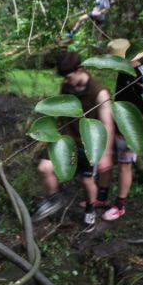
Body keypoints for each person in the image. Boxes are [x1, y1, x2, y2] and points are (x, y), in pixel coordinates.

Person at [31, 52, 114, 232]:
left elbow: (107, 124)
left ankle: (90, 210)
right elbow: (60, 110)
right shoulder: (67, 86)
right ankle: (53, 200)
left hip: (88, 145)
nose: (66, 81)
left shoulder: (100, 92)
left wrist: (105, 154)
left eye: (68, 77)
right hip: (65, 140)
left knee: (86, 182)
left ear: (79, 70)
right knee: (44, 168)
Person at [95, 39, 143, 221]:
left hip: (131, 129)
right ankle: (102, 198)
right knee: (105, 161)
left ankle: (120, 205)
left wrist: (136, 133)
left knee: (124, 166)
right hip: (115, 124)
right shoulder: (123, 72)